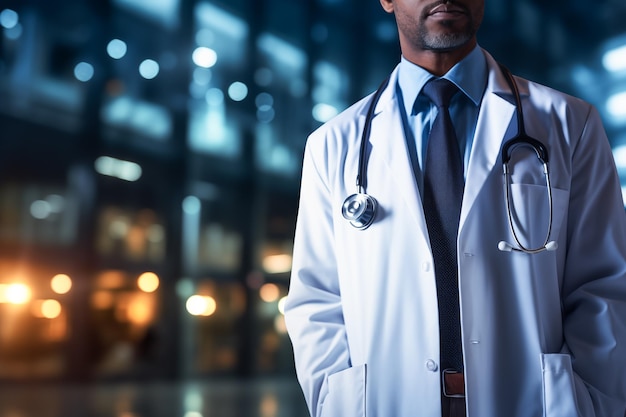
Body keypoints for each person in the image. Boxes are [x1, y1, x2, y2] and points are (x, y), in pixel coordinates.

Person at [284, 0, 626, 416]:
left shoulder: (570, 123)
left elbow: (603, 287)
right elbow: (317, 302)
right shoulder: (333, 145)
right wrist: (338, 403)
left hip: (533, 402)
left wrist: (586, 402)